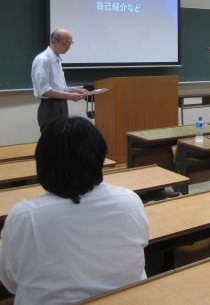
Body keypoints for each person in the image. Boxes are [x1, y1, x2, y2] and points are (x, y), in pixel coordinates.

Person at [0, 117, 148, 304]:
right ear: (99, 158)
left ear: (42, 165)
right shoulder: (129, 202)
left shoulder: (24, 217)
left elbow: (10, 281)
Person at [31, 28, 87, 132]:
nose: (68, 47)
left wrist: (72, 90)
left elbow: (57, 86)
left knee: (63, 139)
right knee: (53, 140)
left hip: (61, 105)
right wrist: (69, 96)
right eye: (66, 43)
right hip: (50, 107)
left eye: (70, 43)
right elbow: (44, 90)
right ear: (54, 41)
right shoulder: (43, 60)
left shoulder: (57, 59)